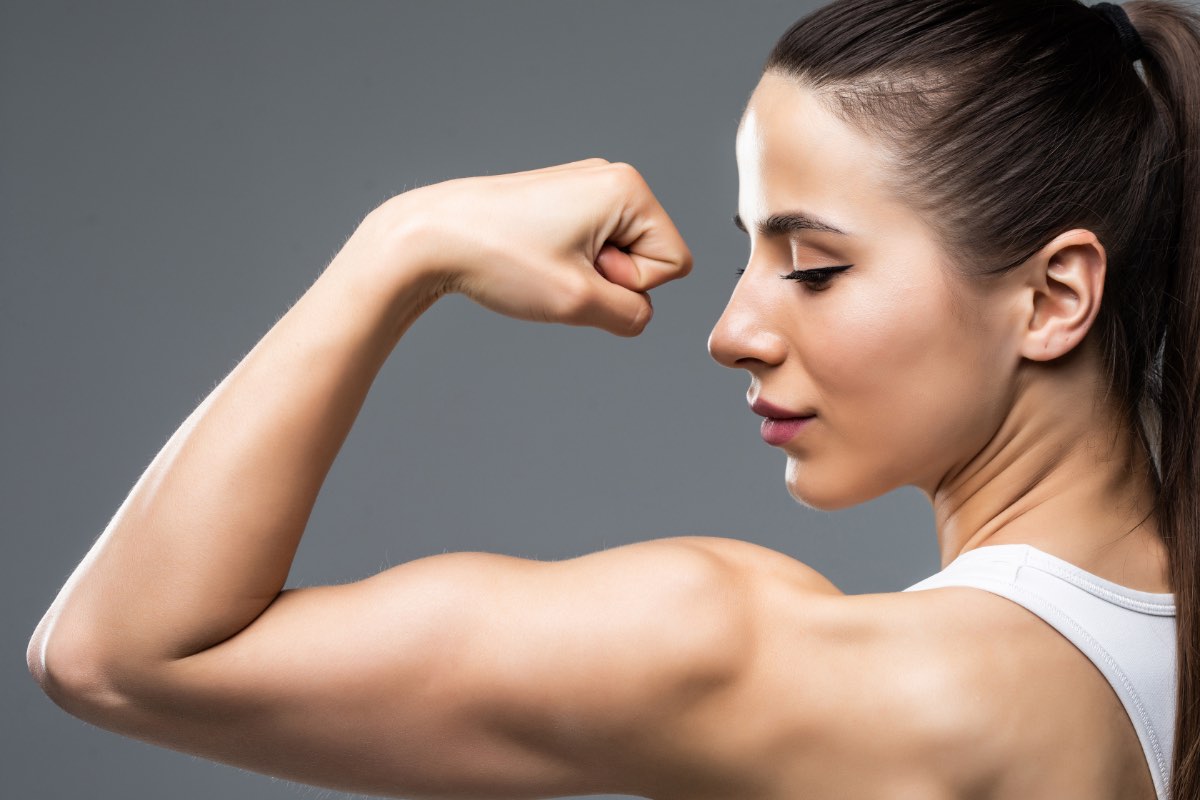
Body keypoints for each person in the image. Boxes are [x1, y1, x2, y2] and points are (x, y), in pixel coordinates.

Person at [24, 0, 1200, 797]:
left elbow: (117, 654)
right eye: (749, 250)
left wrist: (403, 241)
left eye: (816, 266)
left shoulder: (793, 666)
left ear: (1053, 297)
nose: (734, 330)